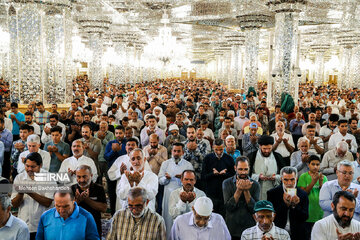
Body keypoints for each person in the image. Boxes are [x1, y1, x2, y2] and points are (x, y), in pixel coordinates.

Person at [11, 152, 54, 240]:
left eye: (33, 167)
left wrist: (30, 192)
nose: (29, 169)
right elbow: (14, 204)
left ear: (40, 165)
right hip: (23, 224)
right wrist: (21, 193)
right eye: (27, 166)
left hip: (43, 225)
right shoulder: (19, 178)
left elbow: (48, 202)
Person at [158, 143, 194, 236]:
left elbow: (192, 181)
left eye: (178, 151)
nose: (176, 153)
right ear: (171, 152)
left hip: (183, 195)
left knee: (183, 218)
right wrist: (166, 178)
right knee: (168, 218)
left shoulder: (188, 165)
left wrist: (181, 179)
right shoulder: (165, 164)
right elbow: (160, 180)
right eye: (174, 151)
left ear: (182, 152)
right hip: (168, 195)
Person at [222, 156, 260, 239]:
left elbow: (254, 209)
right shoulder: (226, 183)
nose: (243, 172)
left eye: (245, 169)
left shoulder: (256, 185)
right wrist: (239, 190)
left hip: (250, 228)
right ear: (235, 168)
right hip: (232, 228)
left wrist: (246, 191)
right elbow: (229, 207)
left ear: (249, 168)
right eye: (240, 169)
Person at [267, 166, 309, 240]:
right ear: (281, 179)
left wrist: (294, 206)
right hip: (278, 232)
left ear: (296, 178)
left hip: (298, 233)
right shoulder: (272, 193)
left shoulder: (303, 194)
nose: (289, 183)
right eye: (286, 180)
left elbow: (305, 217)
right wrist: (285, 204)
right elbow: (271, 216)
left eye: (292, 179)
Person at [202, 139, 235, 217]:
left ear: (224, 147)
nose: (219, 152)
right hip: (211, 193)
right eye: (216, 149)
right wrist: (213, 174)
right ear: (213, 147)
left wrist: (225, 174)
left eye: (221, 149)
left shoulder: (229, 159)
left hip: (225, 194)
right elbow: (203, 177)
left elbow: (233, 176)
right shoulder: (207, 158)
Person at [297, 155, 328, 239]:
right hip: (308, 213)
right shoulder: (303, 176)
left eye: (317, 164)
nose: (315, 167)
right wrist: (313, 182)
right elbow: (303, 194)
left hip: (319, 212)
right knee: (307, 236)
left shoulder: (324, 177)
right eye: (313, 164)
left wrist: (321, 183)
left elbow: (325, 194)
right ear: (308, 165)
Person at [71, 165, 107, 237]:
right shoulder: (72, 189)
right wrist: (77, 201)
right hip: (75, 227)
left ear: (91, 175)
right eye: (79, 177)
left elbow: (104, 208)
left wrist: (87, 200)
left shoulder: (98, 188)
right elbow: (66, 211)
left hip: (94, 226)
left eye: (84, 176)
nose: (81, 180)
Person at [248, 135, 285, 200]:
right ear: (260, 146)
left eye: (269, 148)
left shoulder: (278, 157)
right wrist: (258, 177)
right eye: (264, 149)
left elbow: (284, 175)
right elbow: (247, 175)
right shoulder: (252, 156)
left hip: (273, 188)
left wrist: (276, 177)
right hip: (257, 189)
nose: (267, 151)